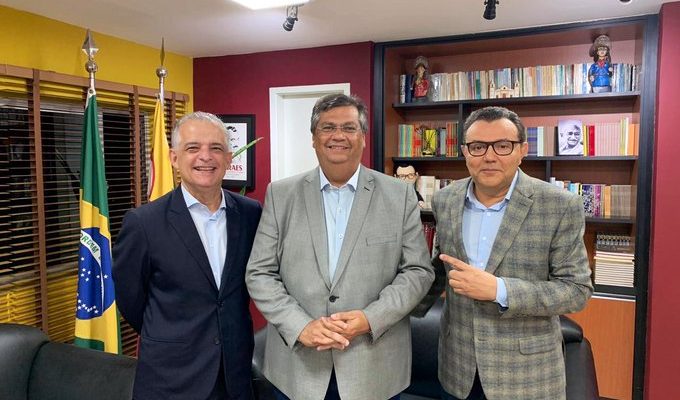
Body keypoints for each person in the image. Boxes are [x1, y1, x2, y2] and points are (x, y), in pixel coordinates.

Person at [246, 93, 435, 400]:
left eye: (349, 128)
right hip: (298, 369)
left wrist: (370, 318)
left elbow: (418, 272)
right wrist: (300, 326)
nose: (338, 136)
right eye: (327, 127)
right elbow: (259, 273)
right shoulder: (281, 195)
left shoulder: (399, 195)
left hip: (374, 368)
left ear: (363, 137)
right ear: (313, 138)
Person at [432, 106, 593, 400]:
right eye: (478, 146)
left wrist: (500, 290)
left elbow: (576, 290)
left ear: (522, 150)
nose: (489, 156)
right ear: (465, 152)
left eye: (503, 146)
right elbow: (437, 270)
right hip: (458, 367)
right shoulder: (444, 200)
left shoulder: (559, 205)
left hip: (525, 376)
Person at [112, 111, 262, 400]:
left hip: (234, 375)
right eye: (193, 148)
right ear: (174, 158)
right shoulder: (144, 223)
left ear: (228, 158)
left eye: (215, 148)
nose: (205, 157)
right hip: (171, 379)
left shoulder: (250, 213)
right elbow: (131, 300)